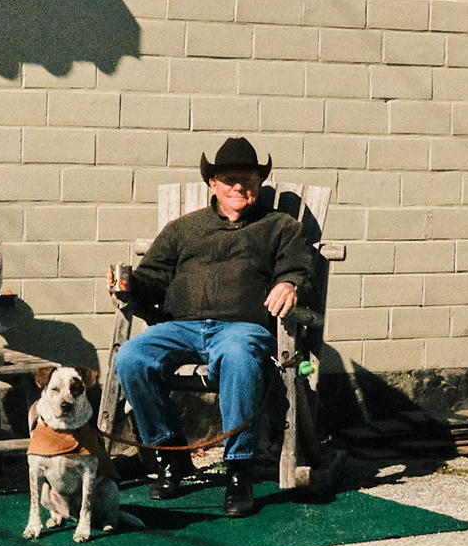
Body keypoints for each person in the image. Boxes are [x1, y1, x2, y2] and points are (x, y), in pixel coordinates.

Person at [112, 137, 315, 516]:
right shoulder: (183, 229)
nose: (238, 186)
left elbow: (299, 270)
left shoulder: (280, 226)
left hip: (242, 328)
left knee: (238, 357)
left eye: (248, 179)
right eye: (229, 179)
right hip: (181, 326)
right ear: (213, 184)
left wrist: (289, 284)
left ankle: (239, 471)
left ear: (260, 183)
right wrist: (129, 285)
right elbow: (152, 278)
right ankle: (171, 455)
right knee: (131, 358)